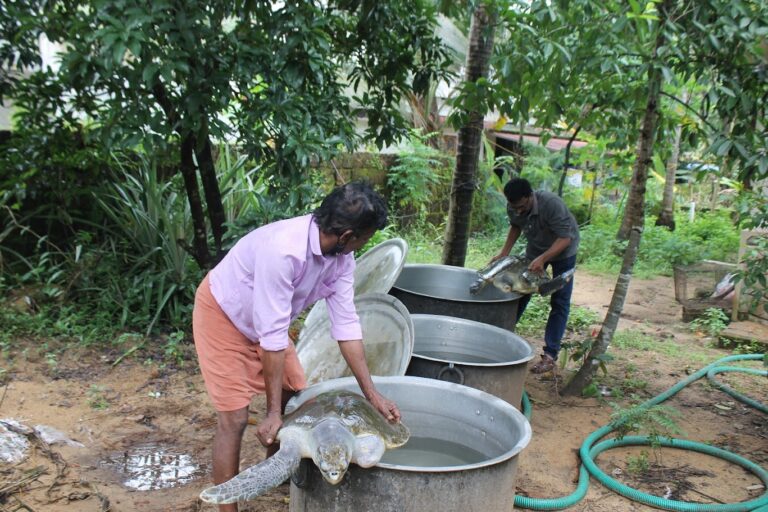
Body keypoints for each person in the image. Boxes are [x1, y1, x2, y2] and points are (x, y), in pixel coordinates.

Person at [193, 181, 401, 512]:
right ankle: (227, 509)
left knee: (298, 395)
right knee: (234, 420)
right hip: (224, 314)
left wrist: (372, 394)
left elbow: (346, 327)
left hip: (267, 324)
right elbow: (273, 339)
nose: (362, 246)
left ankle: (276, 469)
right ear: (346, 236)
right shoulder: (283, 251)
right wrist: (271, 413)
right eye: (363, 239)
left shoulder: (341, 260)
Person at [491, 177, 580, 374]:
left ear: (530, 196)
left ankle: (550, 354)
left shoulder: (552, 205)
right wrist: (504, 252)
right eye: (515, 207)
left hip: (564, 251)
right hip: (536, 247)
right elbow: (516, 225)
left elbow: (565, 238)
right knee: (519, 290)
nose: (519, 210)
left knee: (560, 301)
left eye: (522, 206)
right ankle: (502, 336)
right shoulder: (514, 206)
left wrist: (543, 259)